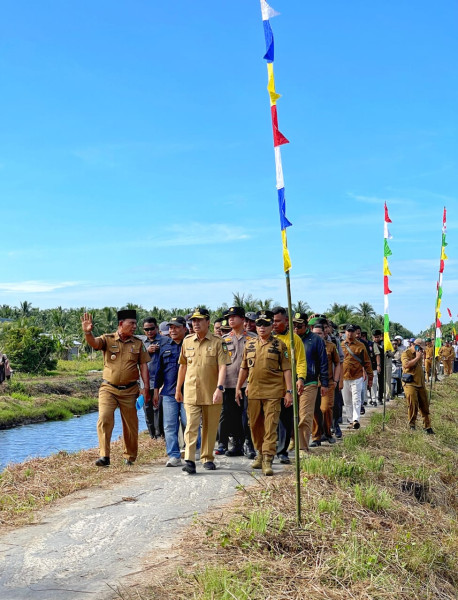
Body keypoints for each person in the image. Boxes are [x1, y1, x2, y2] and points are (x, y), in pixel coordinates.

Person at [81, 309, 151, 467]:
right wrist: (87, 333)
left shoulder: (138, 343)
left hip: (130, 390)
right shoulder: (108, 339)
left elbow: (144, 366)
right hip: (109, 388)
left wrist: (145, 388)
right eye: (131, 323)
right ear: (121, 324)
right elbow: (94, 343)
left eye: (135, 323)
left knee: (131, 425)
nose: (134, 326)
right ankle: (104, 456)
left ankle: (130, 457)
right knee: (105, 418)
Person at [236, 310, 293, 476]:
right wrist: (239, 387)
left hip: (274, 391)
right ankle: (259, 453)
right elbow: (244, 368)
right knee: (254, 425)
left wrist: (288, 391)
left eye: (266, 324)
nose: (262, 327)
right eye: (259, 324)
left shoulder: (280, 345)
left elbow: (287, 370)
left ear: (271, 326)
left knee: (270, 425)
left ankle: (268, 458)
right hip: (253, 391)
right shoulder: (250, 344)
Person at [176, 307, 231, 474]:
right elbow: (183, 366)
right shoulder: (187, 341)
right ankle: (190, 460)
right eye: (193, 320)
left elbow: (223, 367)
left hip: (212, 391)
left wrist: (220, 388)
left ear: (208, 322)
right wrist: (178, 388)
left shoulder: (218, 342)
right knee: (191, 425)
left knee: (210, 426)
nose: (196, 323)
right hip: (191, 391)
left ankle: (207, 457)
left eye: (199, 320)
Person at [217, 306, 257, 458]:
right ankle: (237, 444)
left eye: (234, 316)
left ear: (242, 319)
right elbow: (220, 363)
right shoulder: (224, 339)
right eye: (229, 317)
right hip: (228, 383)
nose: (231, 319)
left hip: (248, 383)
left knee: (247, 415)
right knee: (231, 415)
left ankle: (249, 444)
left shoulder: (253, 338)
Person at [272, 306, 307, 464]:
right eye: (272, 321)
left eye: (278, 321)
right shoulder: (267, 338)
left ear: (286, 321)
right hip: (269, 385)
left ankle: (282, 451)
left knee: (285, 419)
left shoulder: (294, 339)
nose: (274, 324)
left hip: (287, 385)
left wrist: (300, 378)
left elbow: (300, 361)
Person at [154, 316, 190, 467]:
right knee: (169, 425)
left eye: (176, 327)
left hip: (188, 391)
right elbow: (159, 371)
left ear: (184, 328)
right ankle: (174, 456)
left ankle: (194, 451)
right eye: (170, 327)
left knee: (189, 423)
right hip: (168, 392)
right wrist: (156, 391)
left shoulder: (190, 345)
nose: (172, 330)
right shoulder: (165, 346)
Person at [293, 314, 328, 450]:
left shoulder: (315, 340)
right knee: (291, 416)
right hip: (291, 382)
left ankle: (302, 448)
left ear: (306, 326)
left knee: (305, 415)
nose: (296, 329)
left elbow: (323, 362)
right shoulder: (290, 338)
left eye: (299, 326)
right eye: (294, 325)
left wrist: (324, 383)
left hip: (310, 382)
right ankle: (292, 441)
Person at [311, 323, 340, 444]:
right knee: (315, 410)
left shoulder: (331, 346)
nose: (317, 335)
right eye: (315, 333)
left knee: (326, 408)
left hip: (327, 383)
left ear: (324, 333)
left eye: (320, 333)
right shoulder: (308, 345)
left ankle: (327, 432)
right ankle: (316, 436)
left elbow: (338, 363)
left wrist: (336, 380)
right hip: (312, 382)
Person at [142, 317, 170, 439]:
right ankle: (152, 435)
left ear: (157, 328)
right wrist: (147, 352)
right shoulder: (141, 343)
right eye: (146, 329)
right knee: (147, 409)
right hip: (145, 383)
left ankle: (161, 434)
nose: (149, 331)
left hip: (160, 382)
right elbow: (136, 359)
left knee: (159, 408)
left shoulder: (165, 341)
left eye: (152, 328)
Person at [341, 324, 373, 429]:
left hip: (357, 376)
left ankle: (356, 419)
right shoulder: (341, 345)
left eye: (352, 331)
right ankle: (351, 420)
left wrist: (370, 377)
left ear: (356, 333)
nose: (350, 333)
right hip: (344, 376)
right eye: (348, 331)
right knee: (347, 400)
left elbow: (367, 362)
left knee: (356, 399)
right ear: (345, 332)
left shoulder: (361, 346)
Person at [401, 338, 434, 434]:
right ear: (415, 345)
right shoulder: (406, 353)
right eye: (420, 347)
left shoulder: (420, 353)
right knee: (413, 404)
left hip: (420, 383)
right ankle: (412, 425)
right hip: (410, 383)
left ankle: (427, 427)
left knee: (425, 405)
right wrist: (417, 358)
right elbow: (406, 365)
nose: (422, 350)